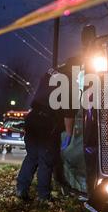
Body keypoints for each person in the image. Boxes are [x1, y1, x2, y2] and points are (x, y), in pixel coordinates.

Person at [16, 68, 74, 203]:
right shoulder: (68, 83)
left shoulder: (49, 74)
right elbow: (69, 114)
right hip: (47, 123)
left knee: (32, 157)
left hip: (32, 119)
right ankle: (43, 196)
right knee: (46, 160)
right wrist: (69, 134)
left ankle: (21, 189)